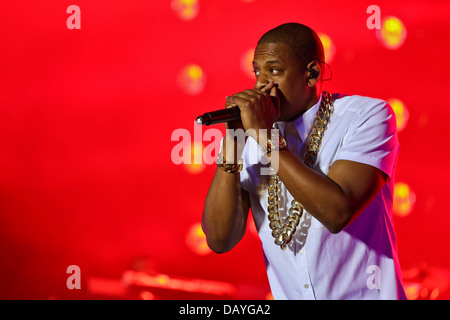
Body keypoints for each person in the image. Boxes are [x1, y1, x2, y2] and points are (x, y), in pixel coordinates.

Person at [201, 22, 406, 300]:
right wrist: (234, 141)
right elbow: (219, 240)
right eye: (257, 71)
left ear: (312, 74)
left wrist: (264, 137)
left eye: (274, 70)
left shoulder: (367, 116)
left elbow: (337, 213)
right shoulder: (253, 137)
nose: (261, 83)